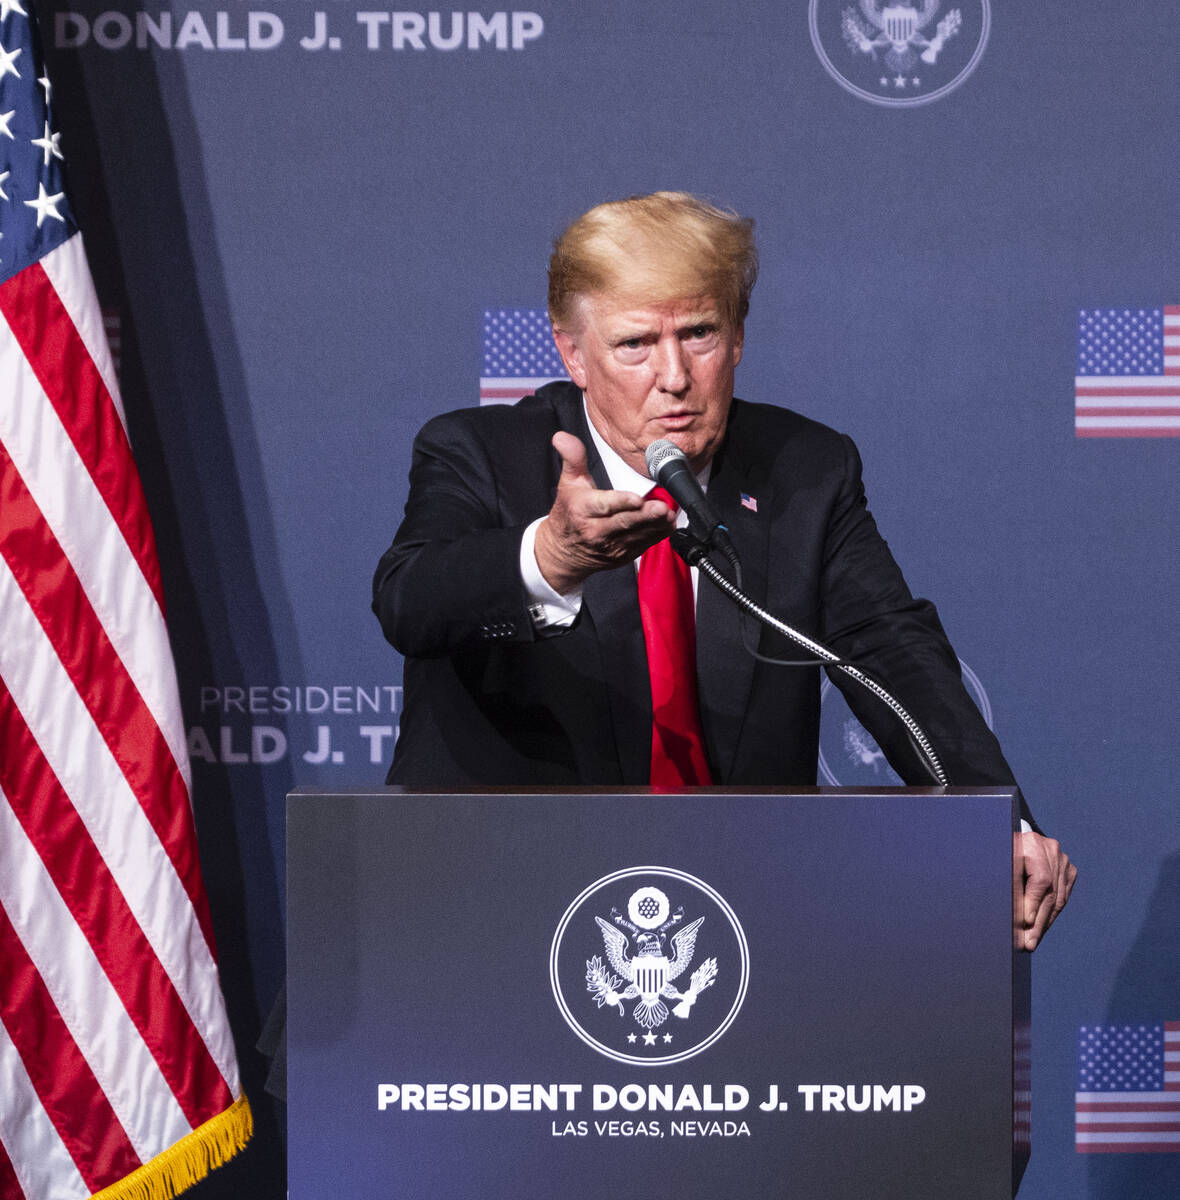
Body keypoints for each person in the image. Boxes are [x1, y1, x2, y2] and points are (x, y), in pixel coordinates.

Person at [372, 191, 1075, 950]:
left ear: (738, 337)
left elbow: (888, 651)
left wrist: (996, 820)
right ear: (572, 353)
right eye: (635, 344)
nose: (673, 376)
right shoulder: (481, 454)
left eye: (699, 333)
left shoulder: (804, 469)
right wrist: (548, 559)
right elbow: (410, 600)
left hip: (738, 915)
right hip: (508, 904)